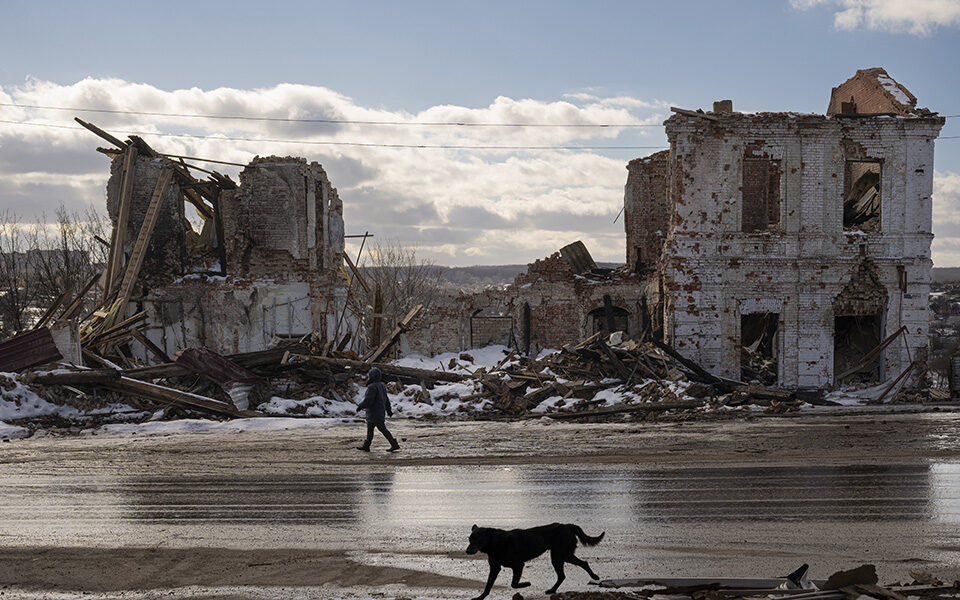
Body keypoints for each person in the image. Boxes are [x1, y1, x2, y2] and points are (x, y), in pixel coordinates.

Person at [356, 367, 400, 452]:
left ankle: (394, 444)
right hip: (379, 411)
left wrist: (361, 406)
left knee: (382, 429)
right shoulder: (382, 386)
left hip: (374, 412)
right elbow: (386, 400)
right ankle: (366, 445)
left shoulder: (372, 387)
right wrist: (389, 410)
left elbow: (369, 400)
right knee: (370, 429)